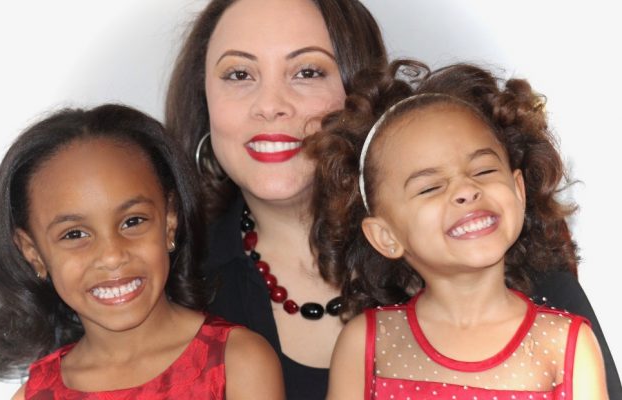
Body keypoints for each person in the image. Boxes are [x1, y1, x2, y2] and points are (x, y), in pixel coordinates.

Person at [165, 0, 620, 398]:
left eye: (307, 71)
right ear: (204, 101)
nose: (271, 104)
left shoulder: (498, 240)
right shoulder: (166, 277)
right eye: (239, 74)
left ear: (360, 94)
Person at [309, 61, 608, 399]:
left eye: (482, 170)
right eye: (430, 187)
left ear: (518, 190)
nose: (465, 190)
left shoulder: (567, 346)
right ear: (385, 236)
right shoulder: (367, 343)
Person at [0, 104, 284, 399]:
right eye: (74, 234)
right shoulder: (35, 395)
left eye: (132, 221)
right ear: (34, 253)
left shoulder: (237, 362)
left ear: (169, 222)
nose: (112, 255)